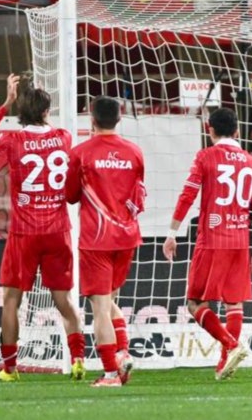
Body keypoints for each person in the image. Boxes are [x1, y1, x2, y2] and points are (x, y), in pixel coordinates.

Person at [0, 74, 85, 382]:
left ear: (21, 113)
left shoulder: (11, 140)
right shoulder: (64, 137)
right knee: (64, 300)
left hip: (24, 233)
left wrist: (6, 103)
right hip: (58, 230)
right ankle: (78, 359)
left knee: (12, 300)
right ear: (44, 112)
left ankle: (10, 369)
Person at [163, 108, 252, 381]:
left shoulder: (206, 156)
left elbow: (188, 195)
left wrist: (172, 232)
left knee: (195, 303)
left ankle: (231, 345)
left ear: (209, 130)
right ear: (237, 132)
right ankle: (226, 363)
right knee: (233, 304)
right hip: (240, 240)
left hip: (212, 239)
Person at [65, 96, 145, 387]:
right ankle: (122, 353)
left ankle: (112, 373)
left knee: (99, 307)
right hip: (127, 237)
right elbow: (138, 193)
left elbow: (71, 195)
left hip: (97, 239)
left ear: (92, 120)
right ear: (119, 118)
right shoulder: (135, 152)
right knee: (109, 300)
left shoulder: (81, 154)